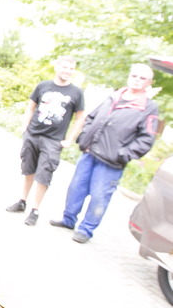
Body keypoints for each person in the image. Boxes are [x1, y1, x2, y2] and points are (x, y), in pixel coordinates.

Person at [50, 63, 159, 243]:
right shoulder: (115, 95)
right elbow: (92, 116)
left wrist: (123, 154)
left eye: (142, 78)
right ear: (129, 76)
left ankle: (86, 230)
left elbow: (146, 139)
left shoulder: (148, 107)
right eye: (134, 76)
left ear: (149, 83)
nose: (137, 80)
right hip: (90, 152)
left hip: (111, 161)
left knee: (100, 196)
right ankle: (68, 220)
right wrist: (84, 136)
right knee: (76, 188)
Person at [5, 56, 85, 226]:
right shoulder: (43, 86)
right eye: (65, 67)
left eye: (71, 68)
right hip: (33, 135)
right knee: (28, 170)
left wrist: (69, 140)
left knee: (44, 175)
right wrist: (25, 128)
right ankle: (22, 201)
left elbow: (80, 118)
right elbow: (31, 107)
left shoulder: (76, 93)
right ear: (57, 67)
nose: (68, 71)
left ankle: (35, 210)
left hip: (53, 141)